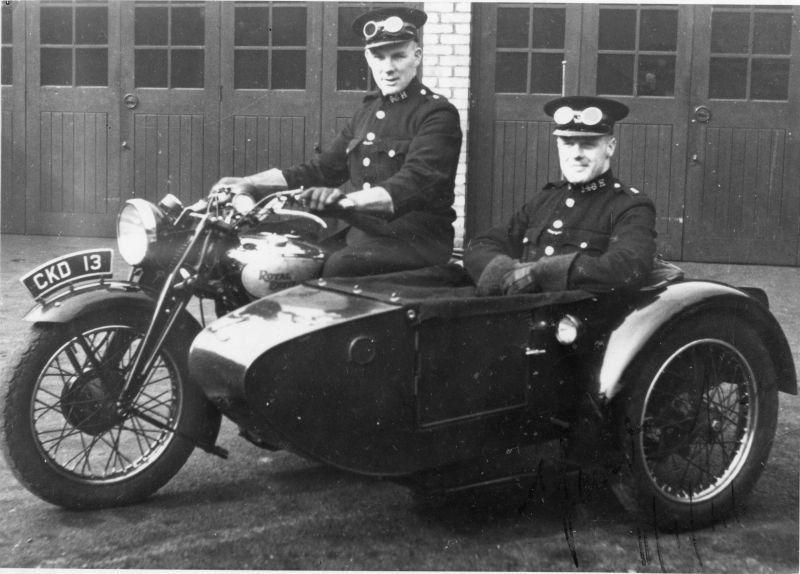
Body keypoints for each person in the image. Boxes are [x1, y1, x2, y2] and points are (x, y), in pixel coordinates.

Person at [212, 7, 462, 278]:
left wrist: (344, 201)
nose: (388, 68)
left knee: (335, 269)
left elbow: (414, 183)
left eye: (398, 56)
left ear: (417, 56)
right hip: (366, 234)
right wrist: (249, 183)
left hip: (418, 241)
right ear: (368, 57)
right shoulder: (368, 110)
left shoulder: (436, 113)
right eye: (378, 56)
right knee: (283, 262)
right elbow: (322, 169)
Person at [464, 96, 657, 296]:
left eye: (588, 144)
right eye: (567, 142)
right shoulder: (546, 199)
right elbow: (481, 244)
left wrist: (539, 274)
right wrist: (503, 273)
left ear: (610, 147)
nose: (576, 154)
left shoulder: (629, 205)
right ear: (558, 146)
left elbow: (628, 267)